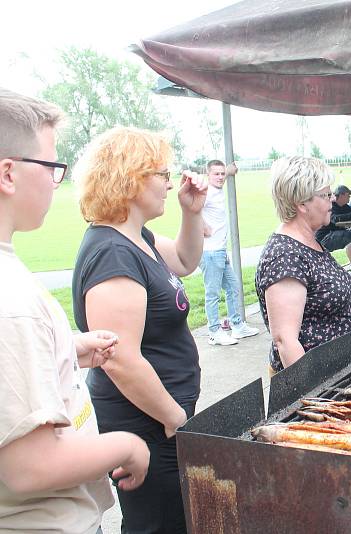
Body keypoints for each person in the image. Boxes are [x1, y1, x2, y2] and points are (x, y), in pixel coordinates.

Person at [0, 90, 149, 533]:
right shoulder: (12, 303)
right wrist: (127, 445)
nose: (55, 181)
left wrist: (65, 349)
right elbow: (30, 467)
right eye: (51, 167)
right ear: (8, 173)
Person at [71, 126, 208, 533]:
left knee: (174, 518)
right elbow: (120, 359)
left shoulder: (136, 238)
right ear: (130, 179)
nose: (169, 182)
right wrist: (174, 419)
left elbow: (185, 260)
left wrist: (191, 211)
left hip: (162, 418)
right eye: (161, 174)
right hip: (146, 422)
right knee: (157, 523)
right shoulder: (112, 251)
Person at [256, 157, 351, 375]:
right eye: (325, 195)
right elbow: (286, 341)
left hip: (336, 369)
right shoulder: (285, 255)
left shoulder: (309, 240)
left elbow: (316, 303)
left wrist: (347, 309)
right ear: (301, 203)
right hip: (316, 380)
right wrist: (315, 395)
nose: (332, 201)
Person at [201, 159, 259, 346]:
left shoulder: (217, 188)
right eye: (215, 174)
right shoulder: (206, 192)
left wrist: (229, 171)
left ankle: (237, 326)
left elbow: (226, 172)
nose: (220, 177)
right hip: (210, 252)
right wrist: (203, 227)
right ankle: (214, 332)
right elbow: (193, 211)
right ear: (207, 174)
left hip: (221, 252)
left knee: (233, 287)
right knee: (213, 294)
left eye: (221, 173)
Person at [316, 184, 351, 275]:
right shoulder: (331, 205)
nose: (349, 197)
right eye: (348, 195)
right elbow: (336, 219)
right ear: (341, 195)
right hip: (324, 238)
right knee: (350, 237)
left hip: (333, 234)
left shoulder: (344, 206)